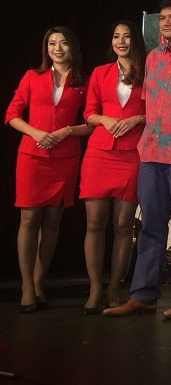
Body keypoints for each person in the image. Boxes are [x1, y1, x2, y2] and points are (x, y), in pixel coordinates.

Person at [103, 0, 171, 319]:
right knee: (150, 225)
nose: (165, 23)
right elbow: (147, 103)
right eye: (162, 18)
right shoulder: (152, 57)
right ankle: (143, 294)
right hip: (151, 152)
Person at [5, 26, 91, 312]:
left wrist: (67, 131)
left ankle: (40, 282)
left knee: (53, 221)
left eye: (63, 43)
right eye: (52, 43)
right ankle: (26, 286)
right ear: (46, 48)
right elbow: (12, 115)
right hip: (32, 156)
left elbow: (90, 122)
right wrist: (35, 133)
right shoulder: (33, 76)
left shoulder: (83, 81)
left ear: (72, 47)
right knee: (29, 220)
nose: (57, 48)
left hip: (65, 158)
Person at [80, 20, 147, 314]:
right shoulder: (100, 72)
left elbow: (156, 110)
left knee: (123, 224)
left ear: (136, 40)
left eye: (127, 36)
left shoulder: (147, 72)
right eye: (116, 36)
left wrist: (138, 119)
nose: (121, 41)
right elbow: (89, 113)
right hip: (99, 152)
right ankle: (95, 287)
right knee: (95, 221)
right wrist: (104, 120)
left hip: (132, 153)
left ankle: (113, 287)